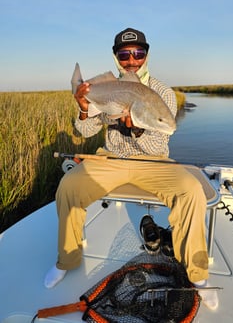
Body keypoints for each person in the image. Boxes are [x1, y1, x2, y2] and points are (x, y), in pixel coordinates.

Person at [44, 27, 218, 310]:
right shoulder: (107, 87)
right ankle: (67, 260)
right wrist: (84, 106)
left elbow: (162, 139)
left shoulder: (162, 92)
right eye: (125, 54)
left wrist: (137, 131)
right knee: (69, 187)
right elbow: (86, 131)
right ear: (116, 57)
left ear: (146, 55)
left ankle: (197, 274)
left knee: (190, 191)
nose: (132, 60)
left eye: (138, 53)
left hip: (154, 161)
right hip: (111, 159)